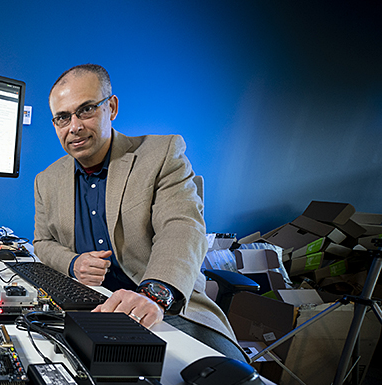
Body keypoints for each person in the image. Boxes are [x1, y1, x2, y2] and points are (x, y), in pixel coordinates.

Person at [33, 63, 246, 361]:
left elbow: (182, 226)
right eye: (62, 117)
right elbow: (42, 243)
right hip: (90, 304)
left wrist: (153, 295)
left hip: (163, 308)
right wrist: (73, 263)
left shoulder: (161, 154)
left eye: (86, 110)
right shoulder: (46, 179)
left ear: (112, 107)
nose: (74, 126)